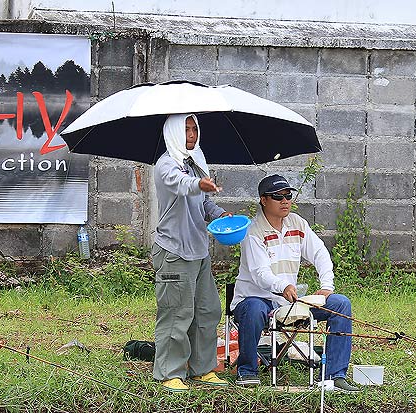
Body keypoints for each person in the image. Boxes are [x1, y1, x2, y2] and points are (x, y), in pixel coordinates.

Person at [230, 174, 360, 392]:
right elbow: (260, 273)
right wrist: (283, 286)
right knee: (253, 307)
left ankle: (333, 376)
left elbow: (320, 254)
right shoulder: (252, 232)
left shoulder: (298, 224)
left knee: (340, 304)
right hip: (256, 300)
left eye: (288, 196)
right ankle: (248, 371)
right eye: (278, 197)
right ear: (263, 200)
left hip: (289, 303)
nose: (285, 201)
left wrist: (327, 286)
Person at [151, 114, 229, 392]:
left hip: (198, 250)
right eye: (185, 129)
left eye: (194, 128)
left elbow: (203, 201)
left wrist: (220, 214)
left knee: (208, 311)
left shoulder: (196, 162)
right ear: (172, 132)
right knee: (176, 313)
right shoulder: (166, 164)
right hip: (174, 250)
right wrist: (199, 184)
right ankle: (168, 373)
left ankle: (202, 369)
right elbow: (181, 184)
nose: (191, 134)